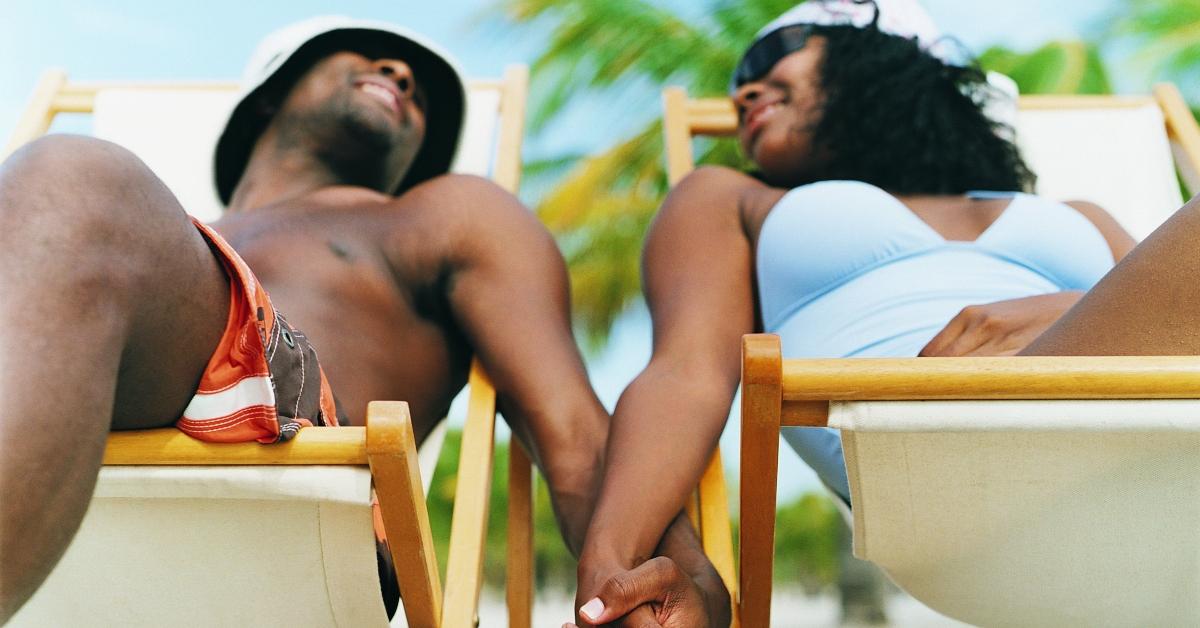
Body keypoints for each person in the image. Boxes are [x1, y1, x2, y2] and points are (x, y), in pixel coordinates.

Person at [0, 16, 724, 623]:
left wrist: (675, 574)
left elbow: (572, 435)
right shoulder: (131, 248)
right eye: (364, 53)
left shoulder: (435, 216)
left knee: (71, 187)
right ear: (270, 95)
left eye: (418, 91)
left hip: (293, 505)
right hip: (83, 481)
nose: (400, 75)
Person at [570, 0, 1200, 625]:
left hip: (1157, 456)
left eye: (770, 55)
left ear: (882, 57)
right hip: (940, 468)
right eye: (738, 86)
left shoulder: (1081, 213)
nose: (745, 92)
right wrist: (610, 562)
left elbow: (1168, 312)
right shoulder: (731, 200)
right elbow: (685, 376)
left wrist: (1056, 314)